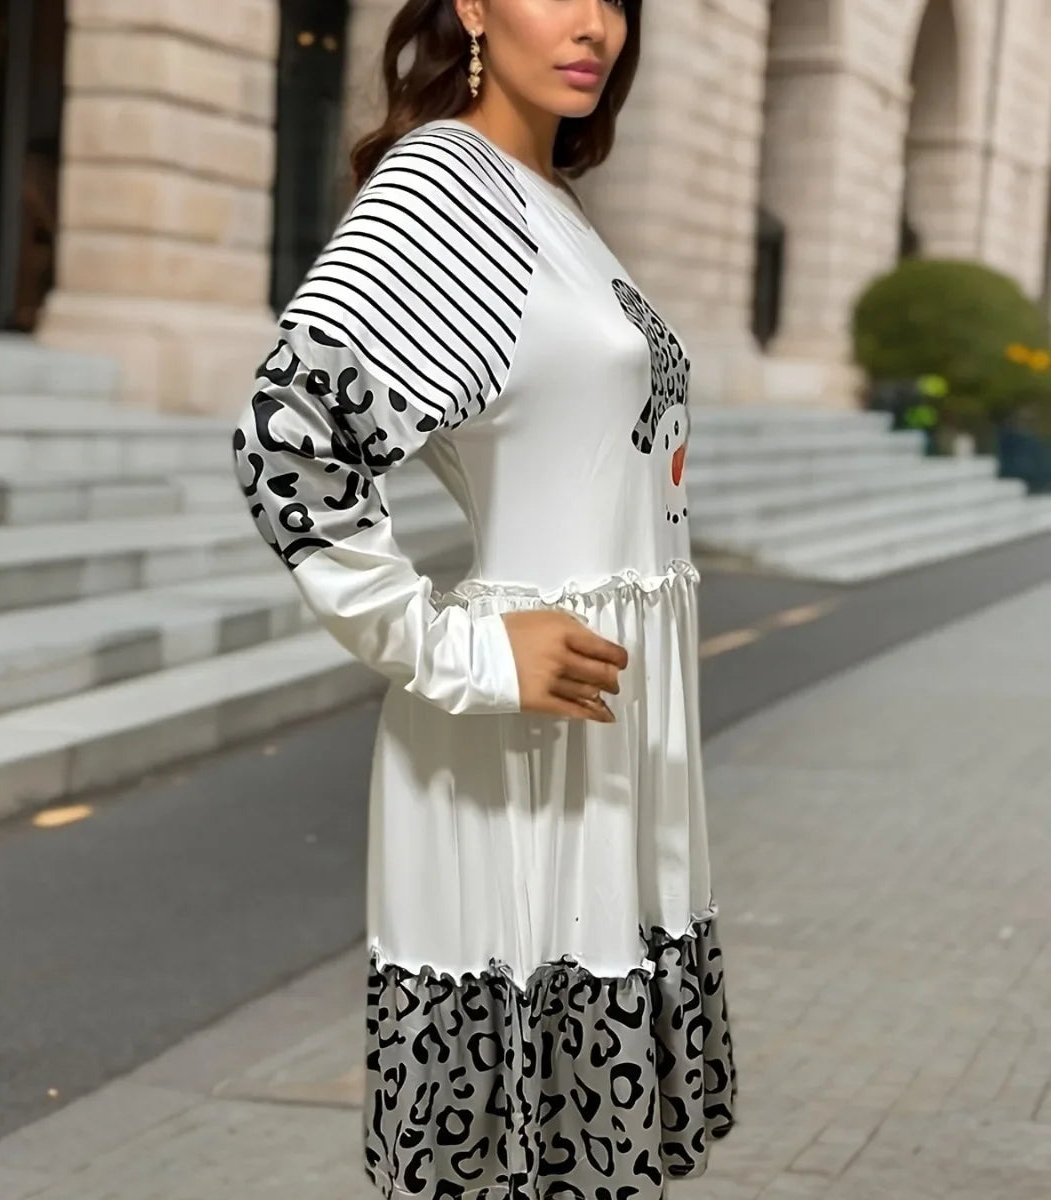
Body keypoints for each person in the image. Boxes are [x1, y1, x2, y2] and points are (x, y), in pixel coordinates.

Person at [232, 0, 738, 1195]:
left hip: (609, 740)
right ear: (470, 5)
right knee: (503, 1153)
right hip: (520, 747)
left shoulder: (546, 201)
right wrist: (459, 649)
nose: (593, 25)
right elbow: (289, 440)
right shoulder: (443, 188)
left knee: (580, 1147)